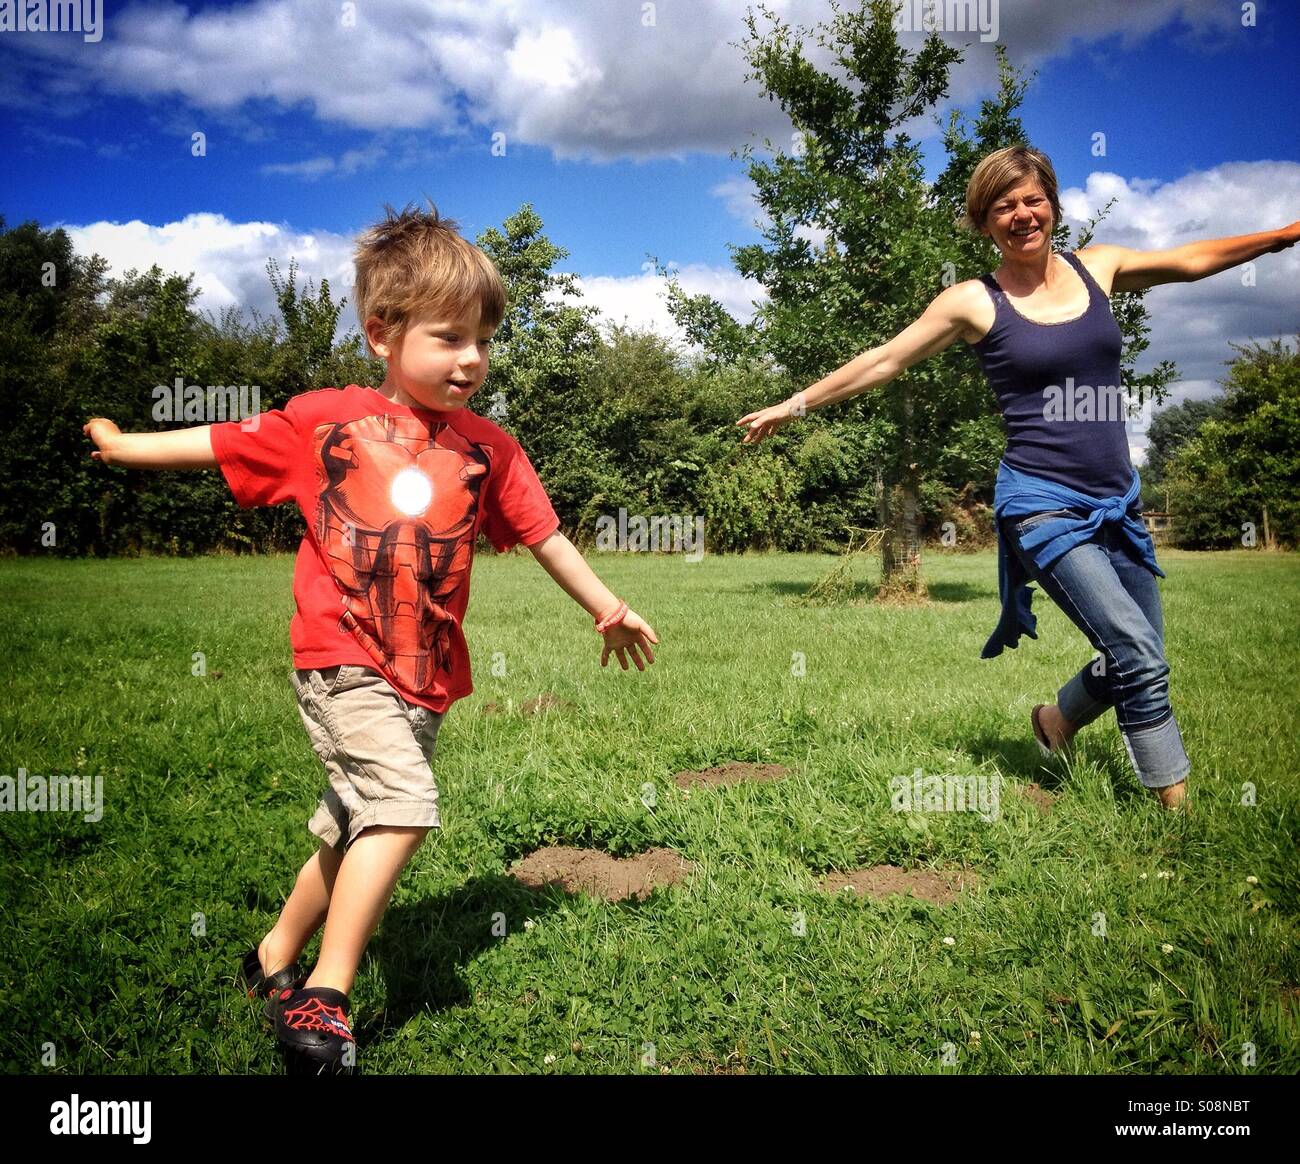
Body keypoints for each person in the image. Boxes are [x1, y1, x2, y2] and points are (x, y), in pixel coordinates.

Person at [82, 203, 659, 1074]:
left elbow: (545, 534)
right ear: (381, 335)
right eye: (449, 337)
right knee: (401, 804)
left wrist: (605, 605)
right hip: (341, 655)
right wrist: (124, 446)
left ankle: (274, 953)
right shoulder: (323, 423)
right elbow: (220, 439)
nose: (472, 359)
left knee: (351, 822)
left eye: (484, 341)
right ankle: (326, 992)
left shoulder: (489, 450)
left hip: (423, 673)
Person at [737, 144, 1299, 811]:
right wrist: (793, 404)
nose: (1022, 215)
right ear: (984, 222)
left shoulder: (1101, 268)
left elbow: (1191, 259)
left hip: (1117, 499)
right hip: (1041, 502)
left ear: (1054, 207)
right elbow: (883, 361)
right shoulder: (974, 301)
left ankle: (1055, 723)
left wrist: (1281, 236)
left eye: (1033, 200)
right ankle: (1174, 815)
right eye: (1003, 206)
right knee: (1139, 655)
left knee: (1137, 653)